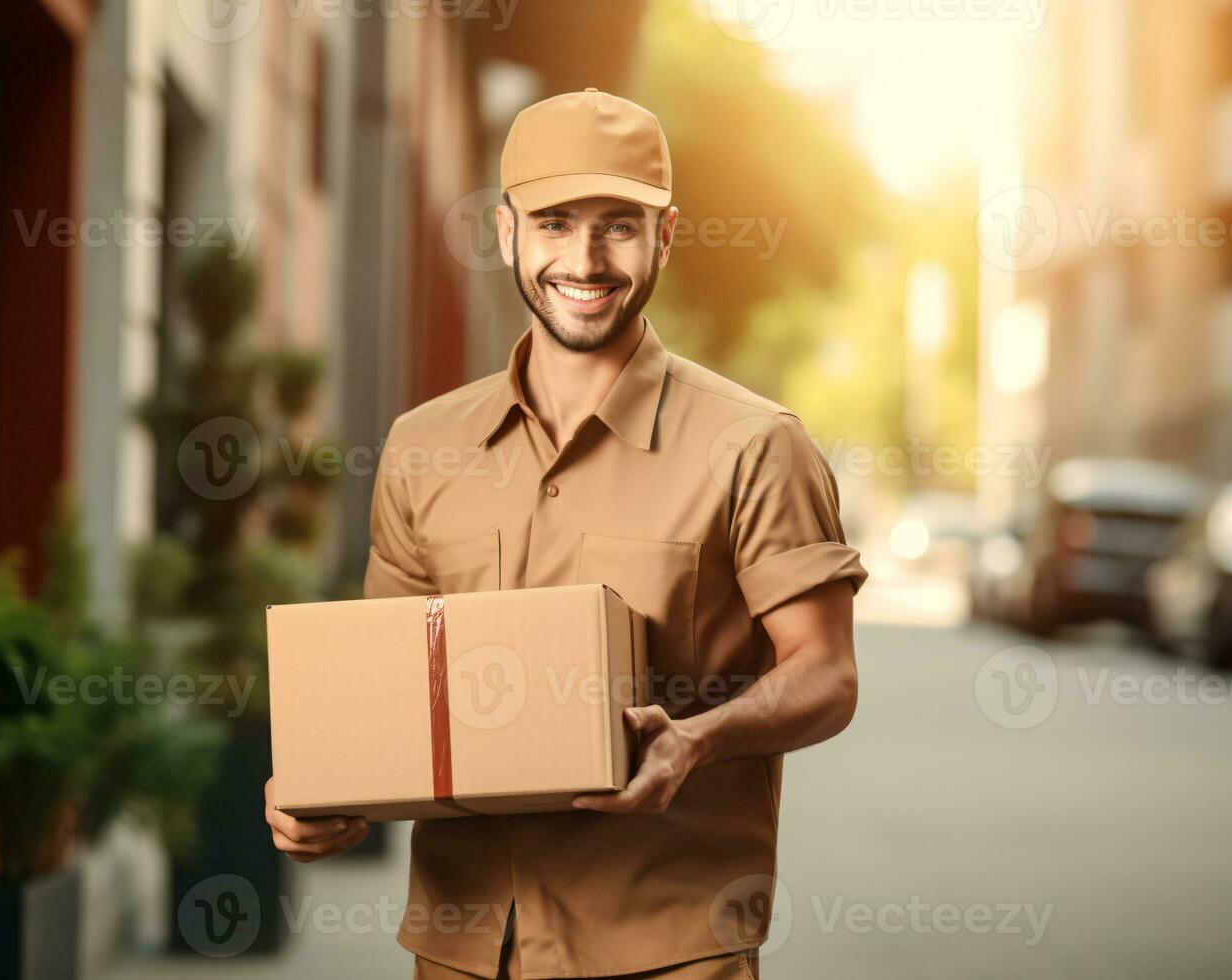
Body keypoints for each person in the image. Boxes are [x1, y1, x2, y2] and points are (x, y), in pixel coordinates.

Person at [264, 88, 868, 980]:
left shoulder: (753, 446)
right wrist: (317, 796)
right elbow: (385, 695)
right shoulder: (423, 446)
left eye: (618, 224)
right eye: (554, 222)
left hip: (669, 950)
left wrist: (699, 740)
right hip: (467, 951)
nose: (584, 258)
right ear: (507, 233)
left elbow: (826, 673)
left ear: (664, 237)